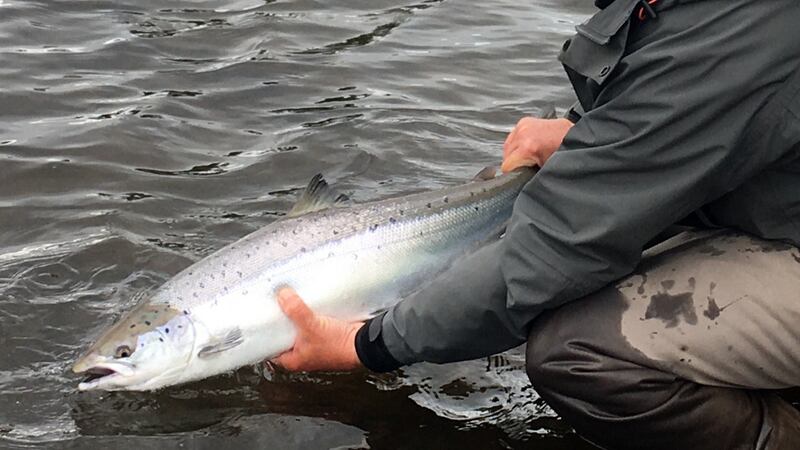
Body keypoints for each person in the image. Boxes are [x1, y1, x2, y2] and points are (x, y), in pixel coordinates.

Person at [270, 0, 800, 448]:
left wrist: (366, 346)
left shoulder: (741, 29)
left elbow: (553, 251)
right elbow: (704, 102)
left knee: (576, 352)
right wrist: (587, 133)